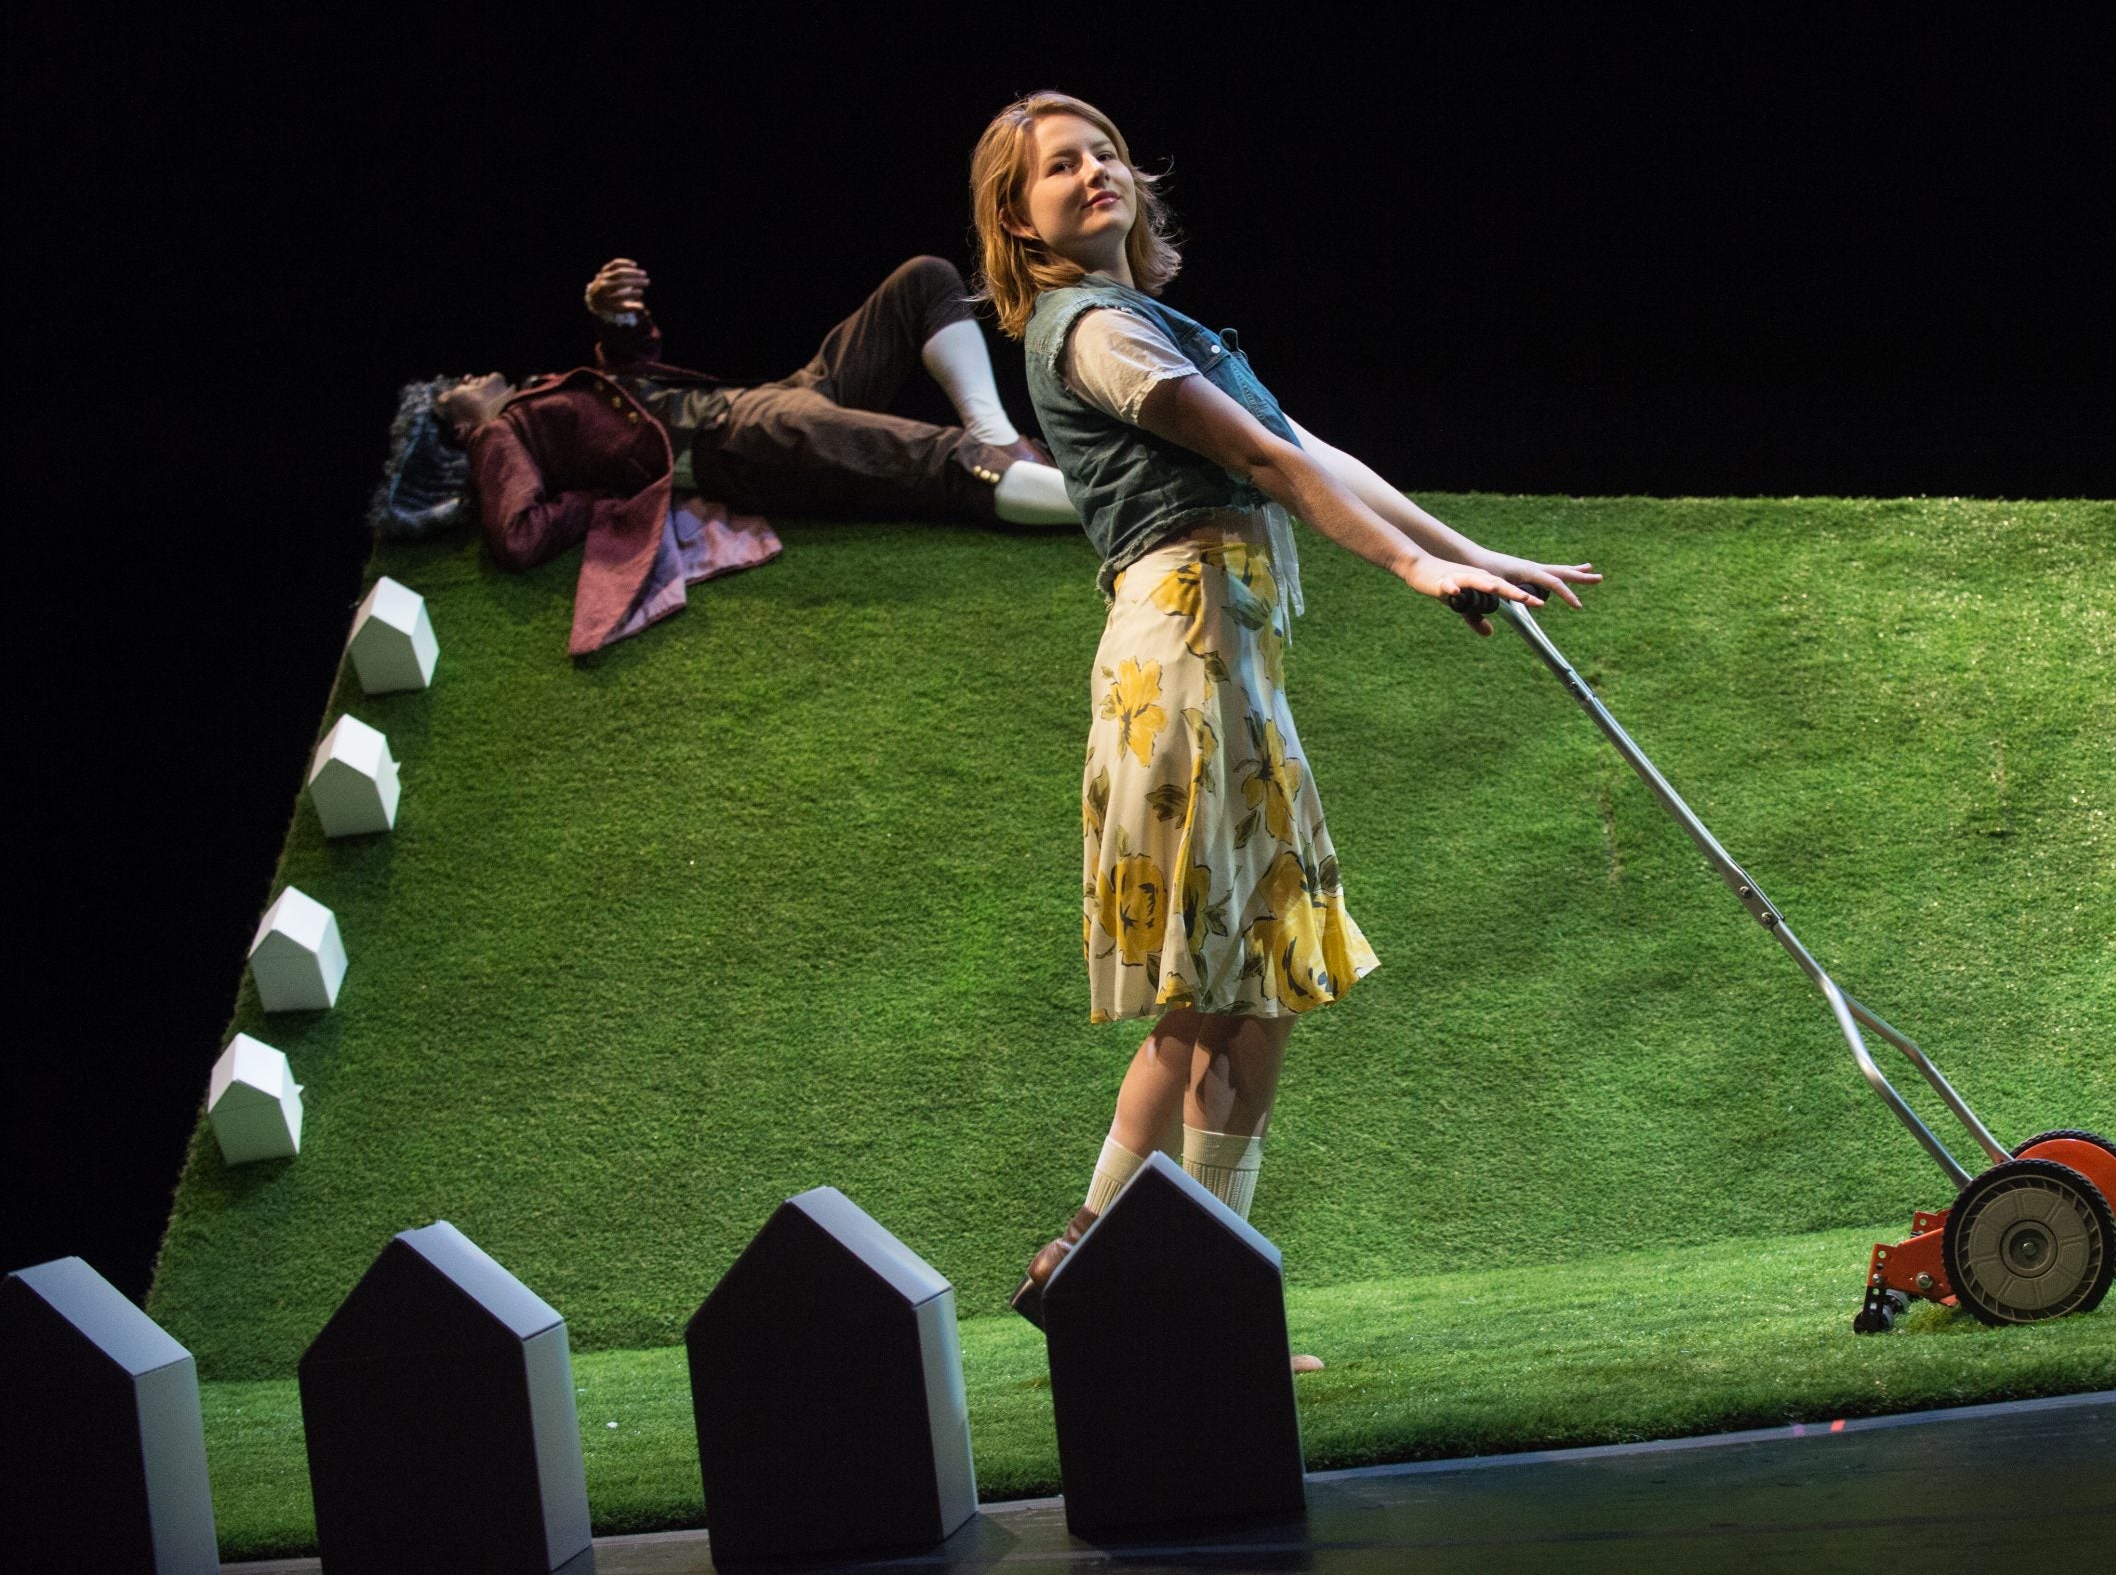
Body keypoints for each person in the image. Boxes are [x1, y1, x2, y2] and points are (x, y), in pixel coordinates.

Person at [972, 93, 1601, 1371]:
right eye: (1057, 167)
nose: (1092, 173)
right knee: (1229, 996)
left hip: (1224, 653)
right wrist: (1411, 576)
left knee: (1238, 999)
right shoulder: (1092, 331)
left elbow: (1316, 450)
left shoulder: (1153, 319)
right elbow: (1265, 463)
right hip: (1186, 655)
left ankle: (1111, 1269)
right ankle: (1172, 1299)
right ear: (1017, 218)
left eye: (1102, 152)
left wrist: (1471, 554)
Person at [437, 254, 1079, 655]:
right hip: (732, 440)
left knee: (925, 281)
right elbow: (519, 535)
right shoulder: (509, 429)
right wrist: (484, 426)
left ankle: (1000, 437)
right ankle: (1095, 502)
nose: (466, 379)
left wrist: (615, 318)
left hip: (765, 400)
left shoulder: (539, 397)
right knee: (925, 456)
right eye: (451, 394)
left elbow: (633, 381)